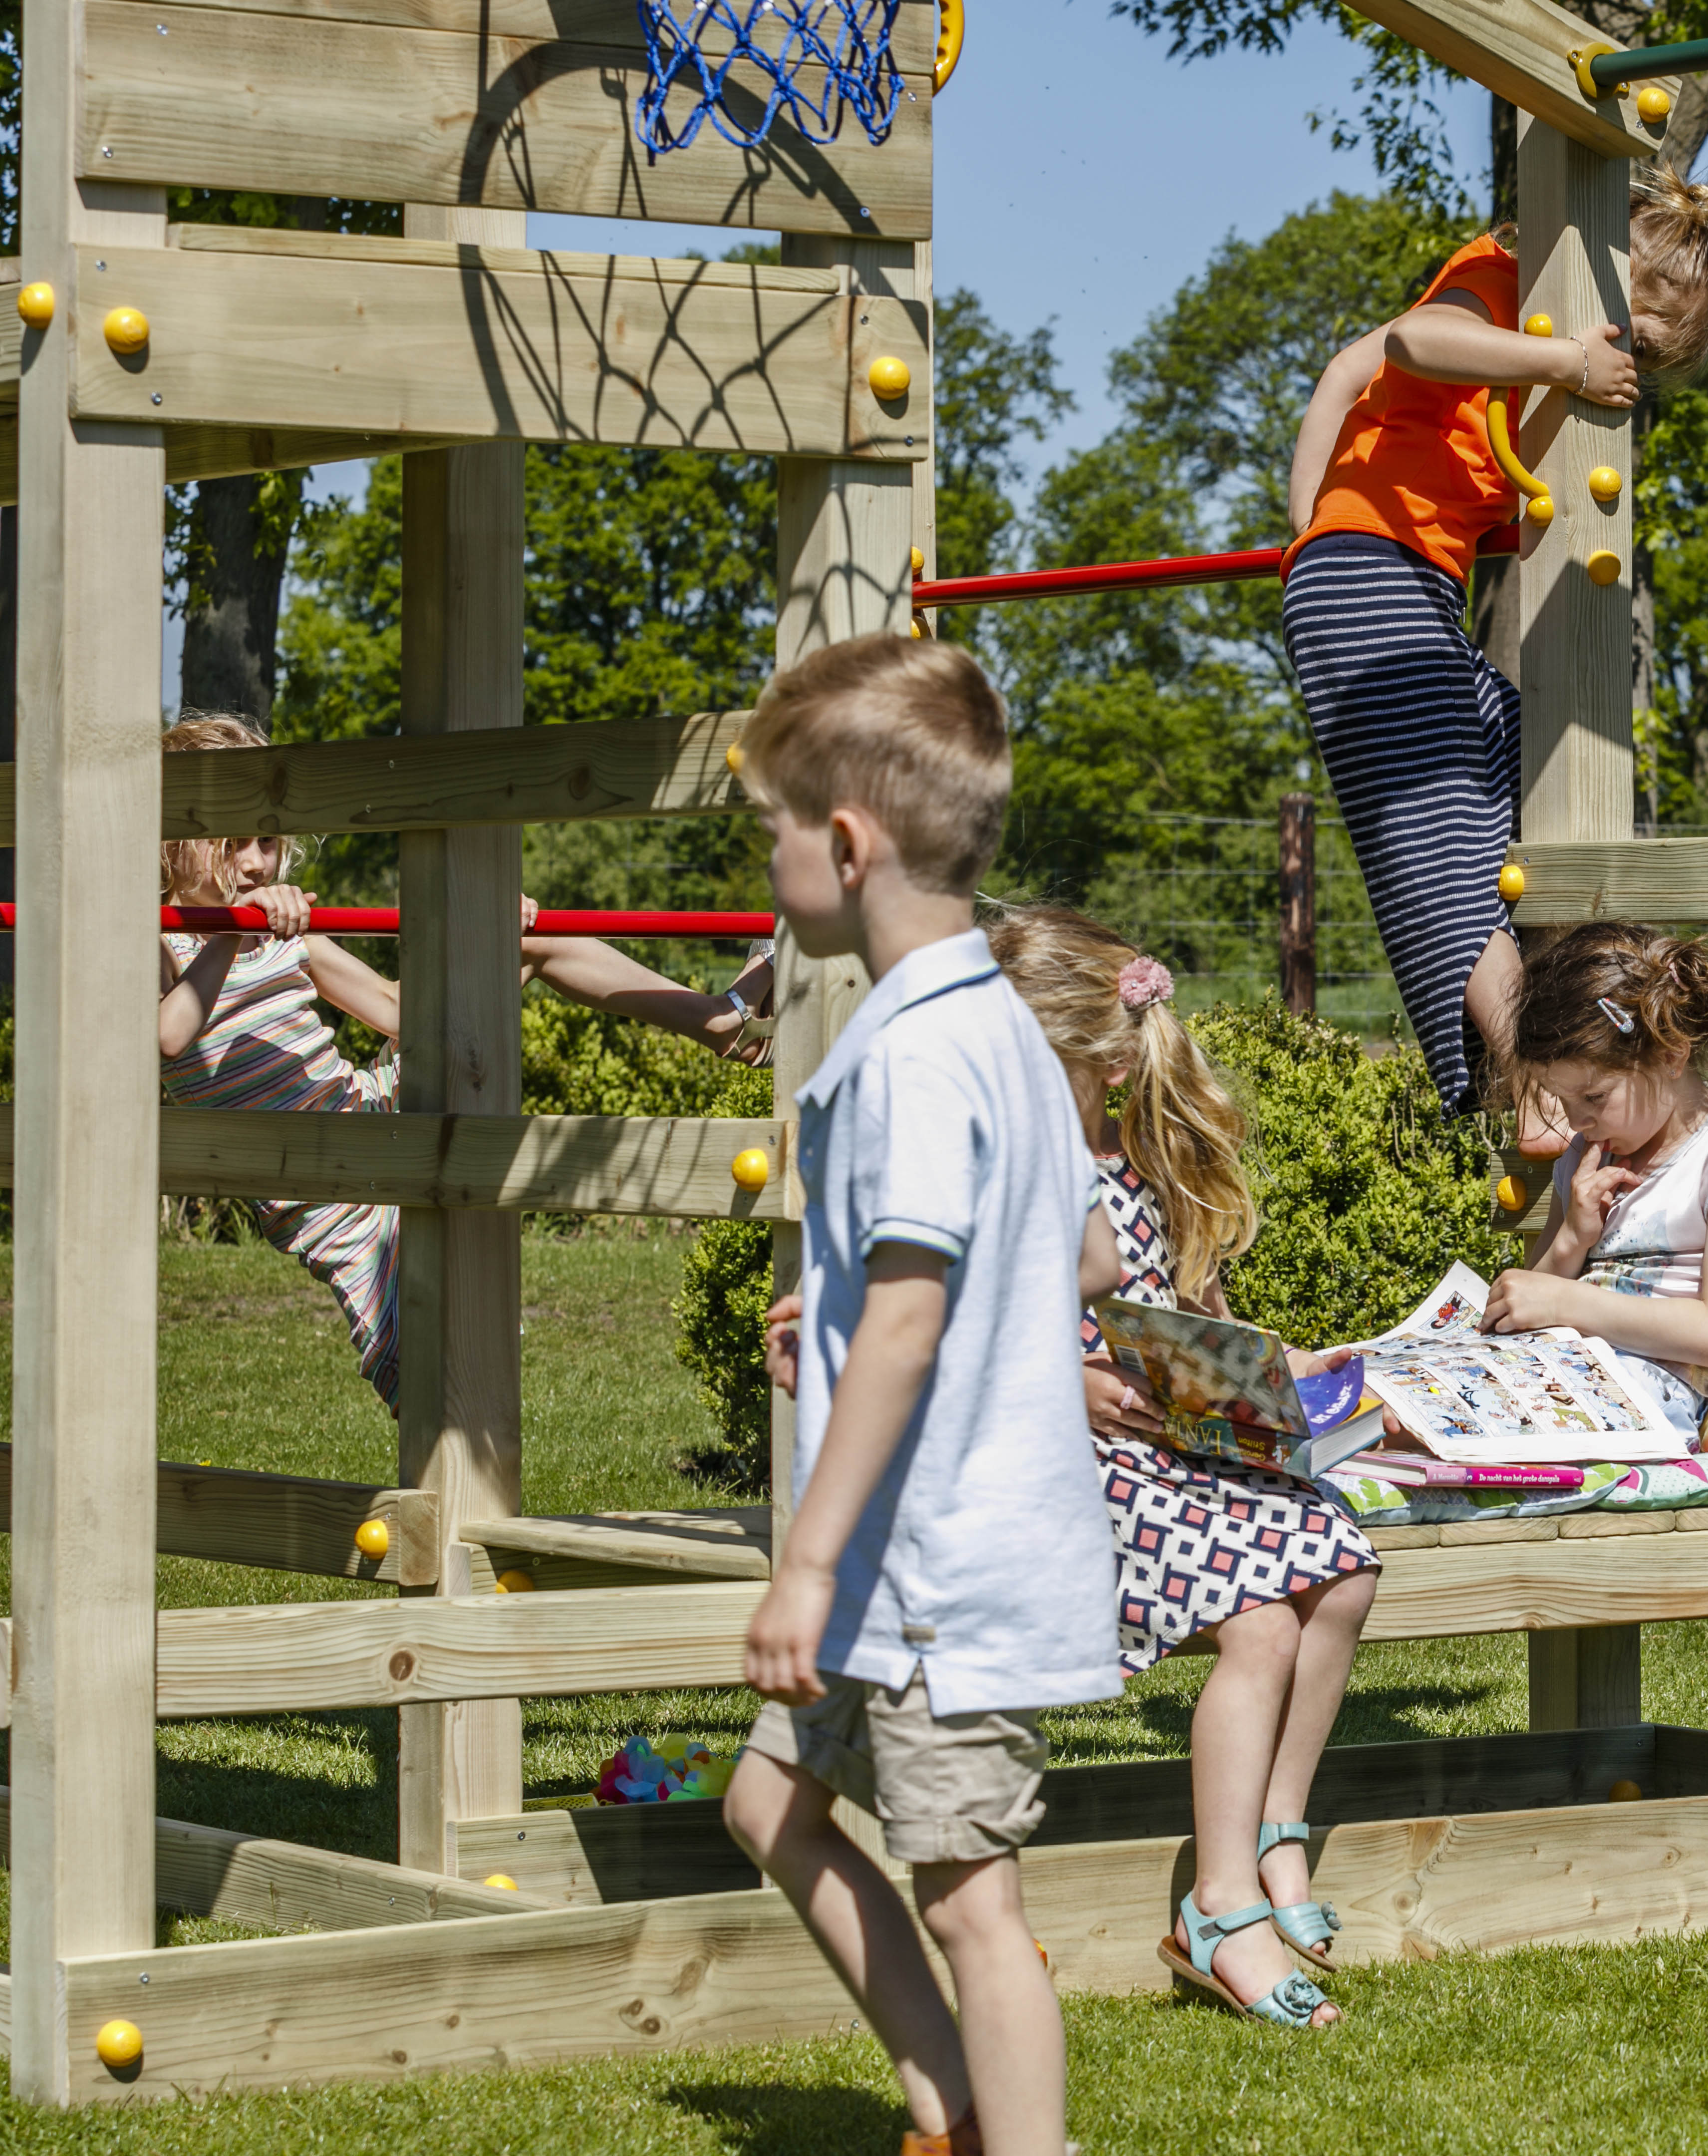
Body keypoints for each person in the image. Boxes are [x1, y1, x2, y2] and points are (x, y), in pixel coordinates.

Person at [716, 637, 1110, 2156]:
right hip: (914, 1562)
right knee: (770, 1810)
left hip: (931, 1574)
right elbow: (1064, 1246)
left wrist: (801, 1563)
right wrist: (831, 1315)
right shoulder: (995, 1025)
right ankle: (950, 2105)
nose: (764, 853)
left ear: (847, 842)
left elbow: (914, 1315)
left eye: (768, 825)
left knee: (972, 1898)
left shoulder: (919, 1053)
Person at [1280, 160, 1708, 1128]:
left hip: (1406, 583)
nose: (1626, 366)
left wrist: (1304, 537)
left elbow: (1346, 370)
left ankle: (1565, 1039)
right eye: (1634, 343)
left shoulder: (1524, 338)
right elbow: (1420, 341)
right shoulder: (1503, 282)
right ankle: (1535, 1077)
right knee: (1445, 850)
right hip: (1368, 572)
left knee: (1537, 768)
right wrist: (1564, 366)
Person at [983, 904, 1374, 2031]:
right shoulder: (1011, 1165)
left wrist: (1282, 1369)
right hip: (1065, 1459)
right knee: (1259, 1624)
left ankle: (1271, 1837)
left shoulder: (1131, 1158)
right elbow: (967, 1330)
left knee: (1340, 1569)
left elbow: (1191, 1314)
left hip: (1165, 1445)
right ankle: (1219, 1905)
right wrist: (1077, 1387)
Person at [155, 710, 774, 1408]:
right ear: (176, 845)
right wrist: (229, 938)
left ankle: (724, 1022)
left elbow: (397, 1014)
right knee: (432, 1377)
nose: (256, 864)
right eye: (233, 843)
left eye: (266, 840)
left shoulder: (288, 938)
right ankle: (448, 1504)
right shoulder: (161, 943)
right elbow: (169, 1037)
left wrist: (476, 937)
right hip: (329, 1193)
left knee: (524, 941)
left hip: (374, 1114)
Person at [1485, 923, 1708, 1444]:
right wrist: (1572, 1240)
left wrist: (1566, 1305)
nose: (1577, 1121)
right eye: (1563, 1100)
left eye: (1594, 1098)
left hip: (1645, 1391)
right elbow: (1535, 1291)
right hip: (1562, 1369)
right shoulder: (1586, 1157)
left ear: (1671, 1053)